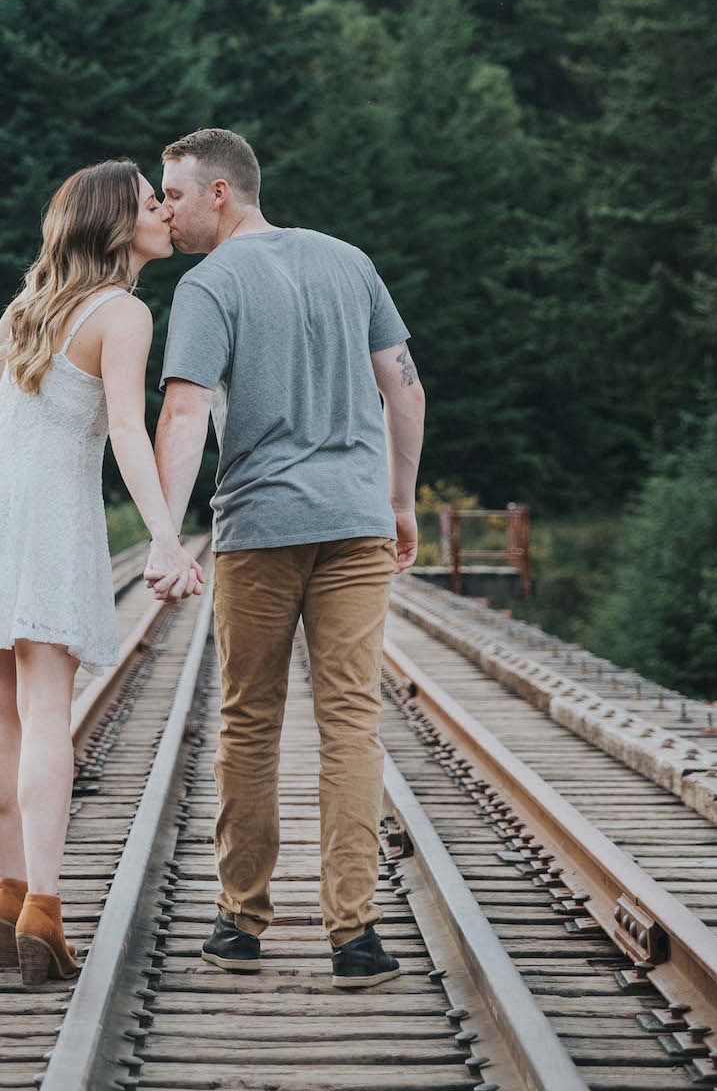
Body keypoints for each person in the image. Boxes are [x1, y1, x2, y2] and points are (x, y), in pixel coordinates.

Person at [0, 159, 203, 988]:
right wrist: (165, 537)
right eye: (152, 204)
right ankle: (44, 906)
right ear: (120, 224)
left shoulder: (32, 300)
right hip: (42, 507)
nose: (164, 216)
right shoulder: (124, 312)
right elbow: (123, 427)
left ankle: (7, 897)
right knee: (46, 711)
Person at [146, 127, 425, 989]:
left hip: (262, 528)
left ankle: (240, 922)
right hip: (354, 523)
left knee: (250, 720)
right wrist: (402, 500)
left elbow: (186, 411)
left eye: (176, 196)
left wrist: (164, 530)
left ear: (220, 192)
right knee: (352, 724)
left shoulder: (207, 284)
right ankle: (355, 936)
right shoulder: (350, 261)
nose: (166, 212)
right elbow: (405, 387)